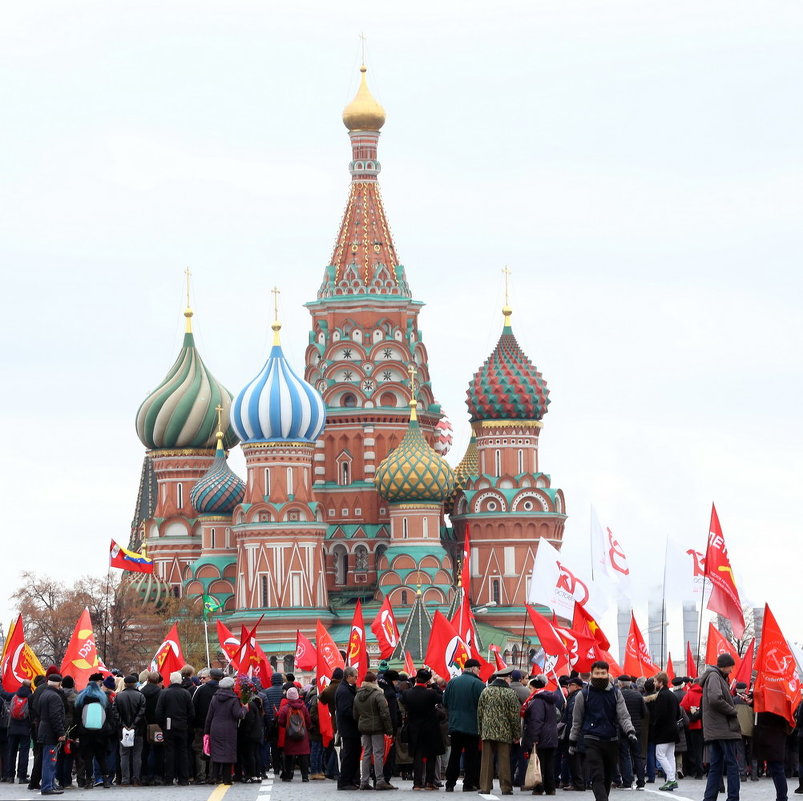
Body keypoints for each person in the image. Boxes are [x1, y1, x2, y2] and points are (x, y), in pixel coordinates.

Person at [569, 661, 638, 801]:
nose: (600, 676)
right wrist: (572, 740)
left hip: (611, 740)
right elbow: (577, 721)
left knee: (607, 777)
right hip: (591, 739)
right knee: (597, 775)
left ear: (607, 674)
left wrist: (630, 731)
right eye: (597, 673)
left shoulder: (616, 693)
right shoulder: (583, 695)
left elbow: (623, 715)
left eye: (602, 673)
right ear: (591, 674)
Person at [701, 654, 742, 801]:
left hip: (716, 729)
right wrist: (732, 710)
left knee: (716, 766)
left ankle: (710, 798)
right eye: (731, 666)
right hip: (723, 729)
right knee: (732, 764)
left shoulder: (715, 676)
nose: (731, 670)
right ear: (725, 665)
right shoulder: (714, 676)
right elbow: (715, 699)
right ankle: (733, 798)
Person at [478, 665, 522, 796]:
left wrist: (480, 730)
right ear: (507, 679)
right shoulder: (510, 693)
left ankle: (485, 787)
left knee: (486, 761)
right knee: (504, 761)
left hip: (487, 731)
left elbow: (479, 712)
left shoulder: (486, 691)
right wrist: (517, 734)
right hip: (504, 732)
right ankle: (506, 787)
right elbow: (514, 716)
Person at [443, 658, 484, 793]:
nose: (479, 670)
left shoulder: (452, 682)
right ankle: (468, 783)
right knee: (470, 756)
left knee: (454, 754)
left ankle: (450, 783)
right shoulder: (479, 684)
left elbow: (445, 702)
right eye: (478, 668)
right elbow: (483, 706)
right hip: (472, 726)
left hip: (455, 725)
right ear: (473, 669)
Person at [401, 668, 444, 791]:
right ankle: (430, 783)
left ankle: (417, 783)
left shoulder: (407, 693)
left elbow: (403, 702)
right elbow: (442, 697)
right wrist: (434, 684)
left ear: (416, 679)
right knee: (431, 755)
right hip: (430, 728)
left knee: (417, 756)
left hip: (414, 728)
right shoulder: (431, 693)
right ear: (427, 681)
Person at [353, 670, 394, 790]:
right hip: (377, 728)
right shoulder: (378, 694)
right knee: (378, 754)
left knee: (366, 753)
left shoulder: (358, 694)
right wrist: (389, 729)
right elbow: (385, 713)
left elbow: (355, 714)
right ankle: (380, 780)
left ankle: (364, 781)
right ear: (374, 681)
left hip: (364, 727)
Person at [205, 677, 247, 784]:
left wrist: (207, 731)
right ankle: (227, 779)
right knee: (228, 753)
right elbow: (239, 714)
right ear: (231, 687)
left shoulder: (214, 698)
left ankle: (214, 777)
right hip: (229, 729)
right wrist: (245, 709)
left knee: (216, 752)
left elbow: (209, 716)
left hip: (215, 727)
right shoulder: (233, 699)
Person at [522, 674, 559, 796]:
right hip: (551, 735)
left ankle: (539, 787)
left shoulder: (537, 700)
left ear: (533, 688)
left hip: (541, 736)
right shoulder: (549, 699)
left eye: (530, 688)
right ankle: (550, 788)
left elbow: (536, 720)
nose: (529, 691)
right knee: (549, 763)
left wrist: (534, 737)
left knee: (539, 762)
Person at [155, 671, 194, 786]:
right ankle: (184, 778)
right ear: (180, 680)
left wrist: (162, 725)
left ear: (171, 680)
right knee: (183, 752)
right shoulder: (186, 693)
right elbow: (191, 712)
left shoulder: (164, 693)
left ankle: (169, 778)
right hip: (182, 725)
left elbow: (158, 712)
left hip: (168, 726)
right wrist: (187, 723)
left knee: (169, 752)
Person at [74, 672, 112, 789]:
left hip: (85, 732)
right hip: (100, 732)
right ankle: (106, 780)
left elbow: (77, 717)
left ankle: (89, 781)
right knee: (101, 756)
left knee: (88, 757)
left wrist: (76, 733)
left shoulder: (81, 697)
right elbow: (108, 715)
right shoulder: (103, 698)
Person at [37, 673, 66, 797]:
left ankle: (50, 784)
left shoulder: (44, 694)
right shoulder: (54, 696)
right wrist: (61, 732)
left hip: (44, 729)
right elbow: (55, 716)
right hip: (51, 732)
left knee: (48, 760)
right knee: (50, 760)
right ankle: (48, 786)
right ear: (59, 684)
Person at [114, 674, 146, 786]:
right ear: (135, 683)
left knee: (124, 755)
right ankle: (136, 778)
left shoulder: (118, 696)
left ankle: (125, 779)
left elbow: (115, 713)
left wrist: (123, 725)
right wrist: (133, 725)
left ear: (125, 684)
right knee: (137, 755)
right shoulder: (140, 696)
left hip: (123, 731)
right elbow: (142, 712)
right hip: (137, 730)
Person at [651, 672, 680, 792]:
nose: (654, 683)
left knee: (660, 755)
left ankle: (671, 779)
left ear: (660, 682)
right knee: (670, 756)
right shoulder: (672, 695)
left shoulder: (662, 695)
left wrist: (654, 726)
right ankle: (670, 780)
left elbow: (659, 715)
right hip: (673, 729)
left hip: (663, 731)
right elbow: (678, 712)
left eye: (655, 681)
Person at [192, 668, 222, 784]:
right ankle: (214, 775)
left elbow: (193, 706)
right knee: (216, 750)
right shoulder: (223, 690)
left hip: (201, 725)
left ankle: (201, 776)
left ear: (210, 676)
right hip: (218, 725)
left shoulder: (201, 689)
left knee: (200, 749)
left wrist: (194, 723)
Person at [616, 675, 647, 790]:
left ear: (620, 683)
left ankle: (627, 782)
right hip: (637, 729)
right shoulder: (638, 695)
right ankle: (641, 782)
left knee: (625, 755)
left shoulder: (618, 694)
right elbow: (644, 713)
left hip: (622, 729)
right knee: (637, 755)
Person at [277, 686, 312, 782]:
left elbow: (281, 722)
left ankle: (288, 775)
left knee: (289, 756)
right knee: (303, 756)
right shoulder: (303, 707)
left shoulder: (285, 708)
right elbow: (308, 721)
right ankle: (304, 776)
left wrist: (289, 726)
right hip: (302, 734)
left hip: (290, 735)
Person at [753, 711, 788, 801]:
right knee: (775, 769)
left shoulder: (775, 702)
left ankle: (782, 798)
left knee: (777, 769)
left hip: (773, 736)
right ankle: (781, 797)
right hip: (772, 736)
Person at [335, 667, 361, 790]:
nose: (356, 678)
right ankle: (344, 781)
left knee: (353, 754)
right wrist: (358, 716)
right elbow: (346, 710)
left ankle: (351, 780)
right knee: (349, 755)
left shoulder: (347, 688)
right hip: (348, 728)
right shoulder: (344, 691)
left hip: (351, 728)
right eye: (355, 676)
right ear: (348, 677)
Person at [4, 682, 33, 784]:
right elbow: (32, 713)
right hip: (24, 728)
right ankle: (22, 776)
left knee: (11, 752)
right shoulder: (30, 697)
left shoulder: (15, 697)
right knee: (24, 752)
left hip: (12, 727)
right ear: (30, 687)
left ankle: (10, 776)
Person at [140, 671, 163, 785]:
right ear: (158, 681)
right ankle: (157, 776)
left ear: (147, 680)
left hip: (144, 725)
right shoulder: (161, 693)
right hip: (157, 726)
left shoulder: (141, 692)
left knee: (144, 751)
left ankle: (144, 775)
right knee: (158, 751)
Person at [679, 679, 704, 779]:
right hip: (704, 725)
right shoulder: (705, 693)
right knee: (701, 750)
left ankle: (697, 771)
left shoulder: (690, 694)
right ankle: (701, 770)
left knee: (693, 749)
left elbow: (682, 706)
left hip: (693, 725)